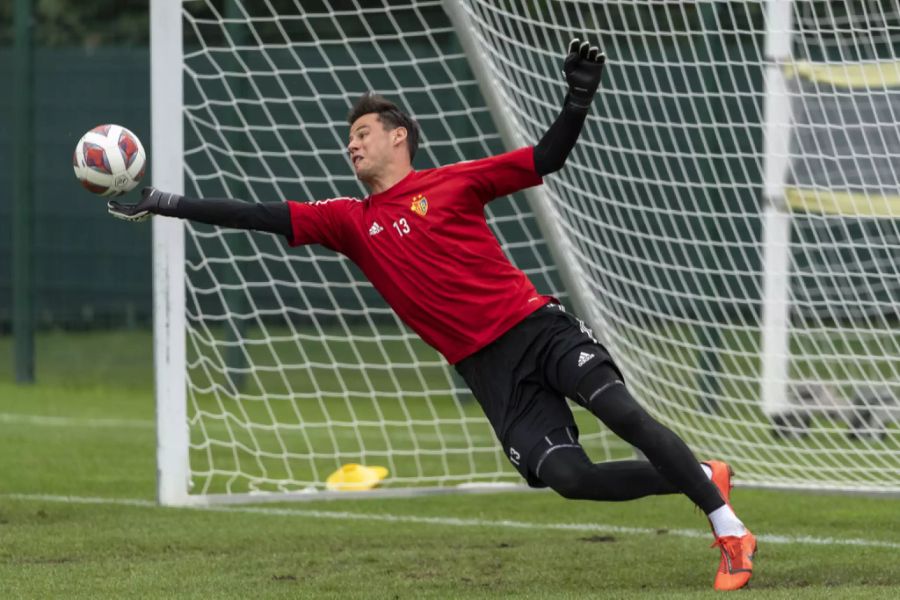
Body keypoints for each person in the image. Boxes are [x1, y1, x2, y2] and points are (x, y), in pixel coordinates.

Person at [110, 39, 756, 591]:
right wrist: (164, 201)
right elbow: (257, 215)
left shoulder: (454, 183)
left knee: (622, 413)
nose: (351, 145)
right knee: (570, 478)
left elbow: (545, 159)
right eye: (348, 137)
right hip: (488, 372)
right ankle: (700, 476)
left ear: (400, 137)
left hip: (537, 330)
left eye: (362, 133)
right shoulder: (349, 222)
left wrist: (578, 98)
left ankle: (728, 531)